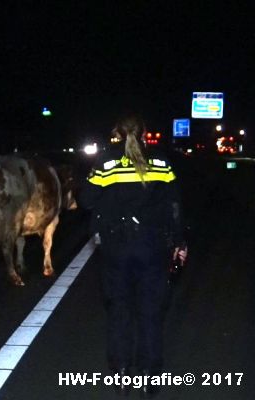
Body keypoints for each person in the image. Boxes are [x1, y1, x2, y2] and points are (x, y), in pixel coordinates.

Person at [78, 114, 187, 398]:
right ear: (144, 133)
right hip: (153, 248)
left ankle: (122, 374)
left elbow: (86, 200)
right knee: (151, 312)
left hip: (117, 248)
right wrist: (180, 242)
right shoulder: (161, 162)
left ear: (116, 132)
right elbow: (174, 204)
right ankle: (151, 377)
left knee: (119, 311)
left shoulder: (105, 163)